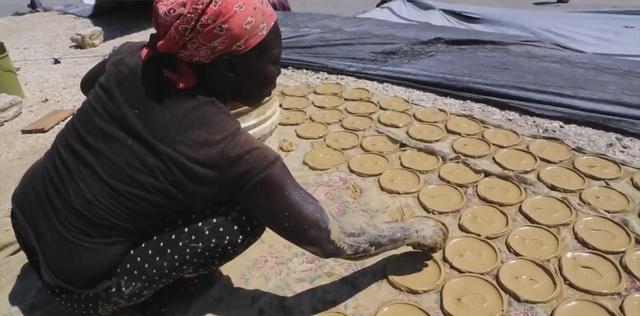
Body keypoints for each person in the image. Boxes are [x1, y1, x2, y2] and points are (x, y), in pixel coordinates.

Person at [10, 0, 447, 314]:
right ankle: (144, 296)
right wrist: (412, 231)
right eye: (273, 62)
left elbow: (91, 88)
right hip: (79, 288)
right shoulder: (230, 152)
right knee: (243, 217)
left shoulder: (131, 58)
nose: (279, 72)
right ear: (231, 69)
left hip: (25, 217)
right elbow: (333, 240)